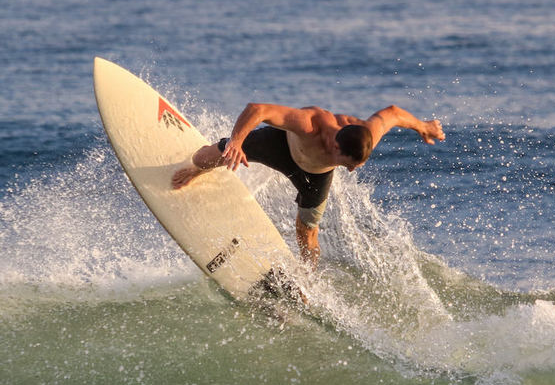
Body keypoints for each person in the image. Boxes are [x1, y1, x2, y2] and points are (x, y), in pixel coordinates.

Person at [172, 102, 445, 266]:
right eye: (347, 163)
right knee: (202, 158)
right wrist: (236, 142)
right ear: (335, 144)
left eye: (355, 166)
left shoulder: (368, 133)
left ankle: (307, 280)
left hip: (315, 175)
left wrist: (423, 126)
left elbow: (393, 113)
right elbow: (258, 109)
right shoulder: (311, 124)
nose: (350, 170)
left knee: (307, 232)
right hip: (278, 147)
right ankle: (196, 172)